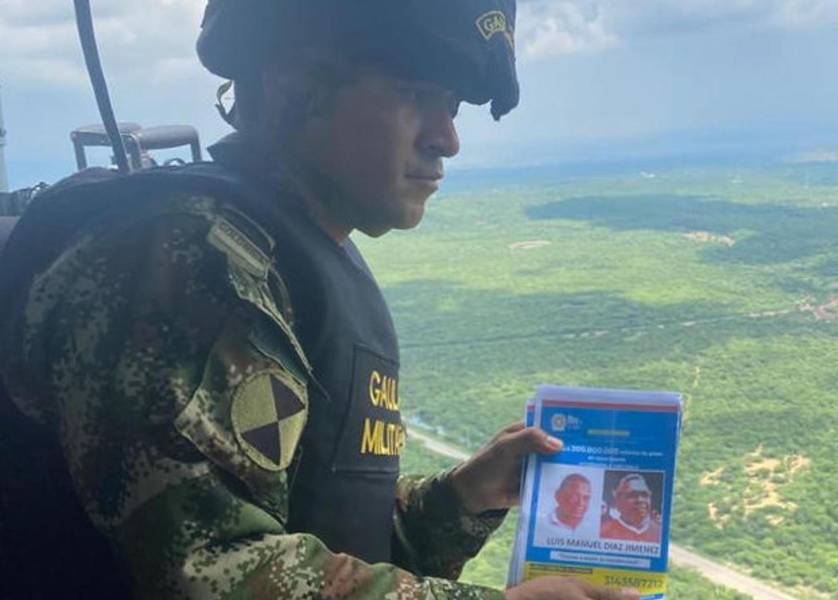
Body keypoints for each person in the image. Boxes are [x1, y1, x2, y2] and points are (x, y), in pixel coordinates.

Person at [0, 1, 639, 599]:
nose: (448, 139)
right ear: (294, 87)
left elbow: (327, 533)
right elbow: (214, 571)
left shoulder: (289, 256)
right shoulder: (187, 262)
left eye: (451, 107)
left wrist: (460, 501)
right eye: (415, 95)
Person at [599, 475, 662, 543]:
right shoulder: (603, 532)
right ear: (618, 501)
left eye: (644, 495)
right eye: (632, 495)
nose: (640, 500)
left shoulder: (659, 532)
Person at [539, 473, 595, 538]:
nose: (580, 503)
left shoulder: (592, 526)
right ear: (558, 496)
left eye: (586, 498)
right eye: (574, 497)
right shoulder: (541, 524)